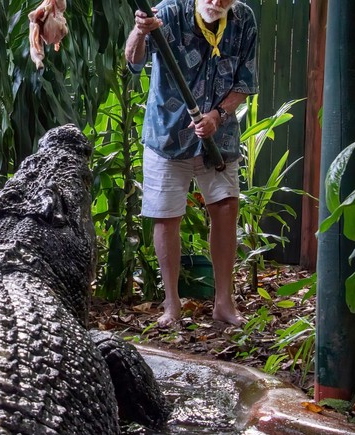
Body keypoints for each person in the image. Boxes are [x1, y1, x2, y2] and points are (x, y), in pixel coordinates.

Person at [124, 0, 258, 327]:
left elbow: (244, 82)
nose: (216, 2)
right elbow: (133, 61)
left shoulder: (244, 20)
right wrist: (140, 32)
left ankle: (223, 303)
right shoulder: (167, 13)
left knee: (226, 207)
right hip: (167, 133)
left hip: (219, 134)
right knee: (166, 215)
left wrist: (218, 114)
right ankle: (171, 306)